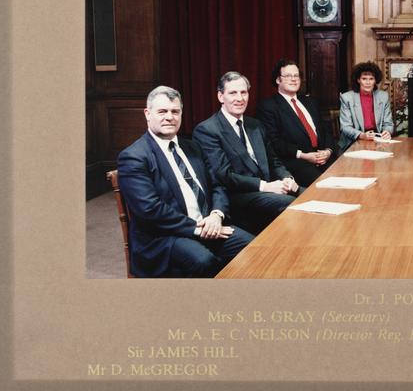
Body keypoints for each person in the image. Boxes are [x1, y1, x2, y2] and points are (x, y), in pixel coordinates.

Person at [117, 86, 253, 278]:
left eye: (175, 111)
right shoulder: (134, 157)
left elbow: (217, 184)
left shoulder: (192, 147)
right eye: (162, 111)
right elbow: (150, 209)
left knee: (254, 247)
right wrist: (196, 229)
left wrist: (216, 215)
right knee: (204, 261)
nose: (169, 117)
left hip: (209, 224)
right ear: (148, 114)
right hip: (165, 237)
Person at [192, 72, 298, 234]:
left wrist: (287, 178)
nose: (240, 98)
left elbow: (273, 161)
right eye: (233, 93)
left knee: (310, 195)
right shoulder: (207, 130)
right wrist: (266, 186)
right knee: (290, 203)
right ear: (221, 96)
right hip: (238, 196)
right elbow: (224, 175)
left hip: (270, 188)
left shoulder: (255, 125)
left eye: (244, 92)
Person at [257, 58, 336, 187]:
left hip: (323, 158)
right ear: (278, 80)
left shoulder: (310, 102)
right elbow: (273, 141)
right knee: (326, 185)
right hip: (296, 162)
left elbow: (326, 131)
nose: (293, 79)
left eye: (296, 75)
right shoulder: (268, 106)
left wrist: (328, 151)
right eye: (288, 76)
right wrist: (303, 155)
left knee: (347, 174)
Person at [338, 61, 394, 151]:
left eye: (371, 79)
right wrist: (362, 135)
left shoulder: (383, 96)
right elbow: (345, 127)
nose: (368, 82)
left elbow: (388, 123)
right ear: (358, 80)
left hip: (377, 141)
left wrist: (387, 131)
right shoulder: (347, 98)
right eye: (364, 79)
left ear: (375, 81)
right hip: (353, 142)